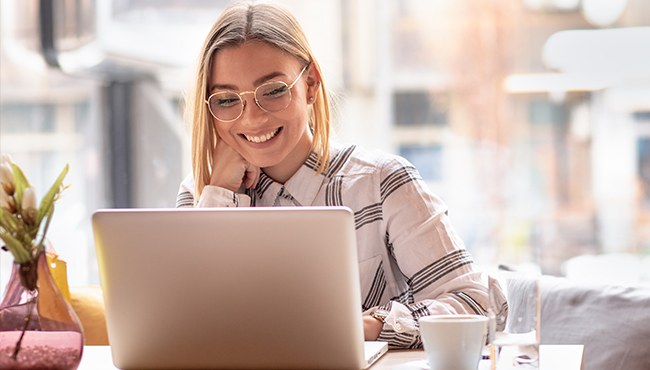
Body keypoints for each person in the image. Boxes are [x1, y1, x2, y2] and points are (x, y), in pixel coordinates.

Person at [176, 1, 501, 349]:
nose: (252, 118)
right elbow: (181, 326)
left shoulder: (381, 183)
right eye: (226, 100)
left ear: (311, 84)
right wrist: (221, 193)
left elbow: (477, 305)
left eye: (273, 91)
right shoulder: (201, 194)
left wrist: (367, 326)